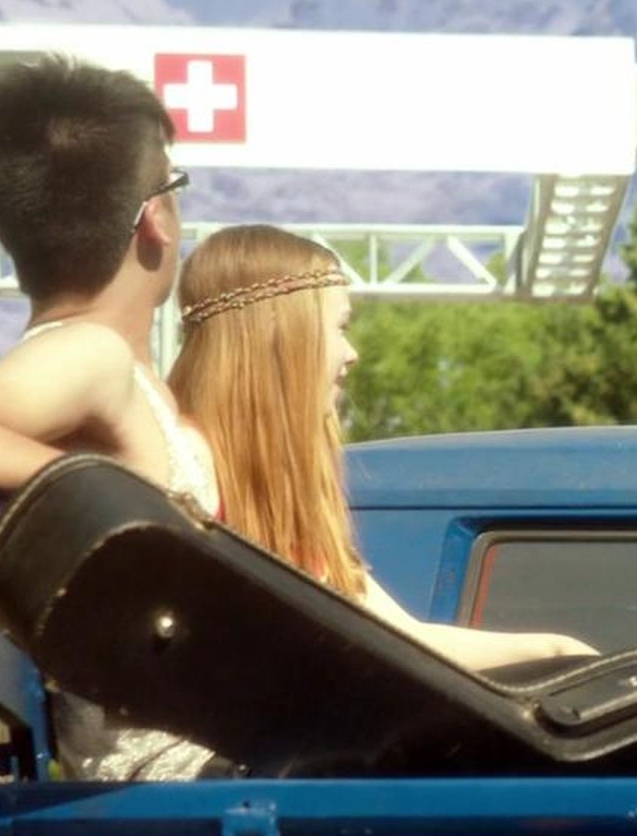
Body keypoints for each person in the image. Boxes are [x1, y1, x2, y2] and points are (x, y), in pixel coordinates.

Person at [168, 224, 597, 670]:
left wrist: (555, 650)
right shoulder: (186, 466)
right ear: (281, 332)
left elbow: (403, 641)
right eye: (340, 327)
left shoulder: (288, 510)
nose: (352, 352)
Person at [0, 54, 226, 779]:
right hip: (186, 790)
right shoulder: (87, 355)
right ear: (155, 217)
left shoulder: (111, 371)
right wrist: (86, 487)